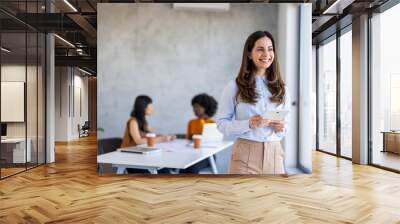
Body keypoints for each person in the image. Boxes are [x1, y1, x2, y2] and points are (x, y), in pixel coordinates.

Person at [216, 31, 290, 175]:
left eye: (270, 49)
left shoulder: (283, 89)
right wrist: (249, 124)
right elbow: (221, 124)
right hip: (245, 155)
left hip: (275, 154)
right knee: (242, 197)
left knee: (274, 197)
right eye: (260, 49)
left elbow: (288, 125)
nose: (266, 54)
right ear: (249, 54)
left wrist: (282, 127)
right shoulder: (234, 87)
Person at [121, 95, 176, 174]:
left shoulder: (144, 122)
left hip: (141, 155)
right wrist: (161, 139)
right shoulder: (133, 121)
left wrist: (165, 137)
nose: (152, 108)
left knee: (165, 168)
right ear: (143, 107)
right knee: (161, 170)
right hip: (130, 158)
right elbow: (139, 141)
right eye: (150, 105)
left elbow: (151, 136)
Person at [182, 93, 218, 174]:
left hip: (207, 156)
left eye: (197, 106)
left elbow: (214, 142)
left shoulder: (213, 123)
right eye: (193, 106)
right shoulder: (191, 122)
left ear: (206, 107)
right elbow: (188, 139)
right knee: (183, 165)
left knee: (190, 167)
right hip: (191, 154)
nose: (194, 109)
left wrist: (201, 122)